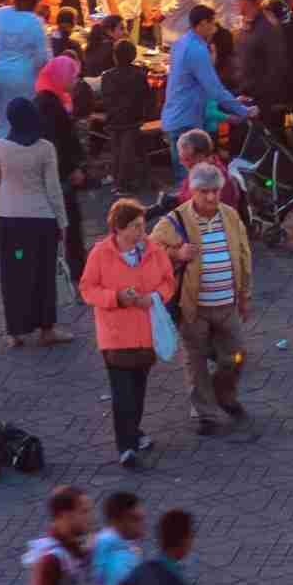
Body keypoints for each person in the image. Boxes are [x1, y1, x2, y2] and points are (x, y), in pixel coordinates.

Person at [75, 194, 180, 469]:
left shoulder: (154, 251)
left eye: (142, 225)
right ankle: (127, 447)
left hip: (146, 335)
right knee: (123, 392)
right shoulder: (100, 253)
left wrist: (154, 297)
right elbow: (87, 289)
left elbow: (169, 282)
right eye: (135, 226)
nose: (142, 231)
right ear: (119, 229)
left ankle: (134, 431)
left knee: (138, 389)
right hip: (115, 336)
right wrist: (116, 298)